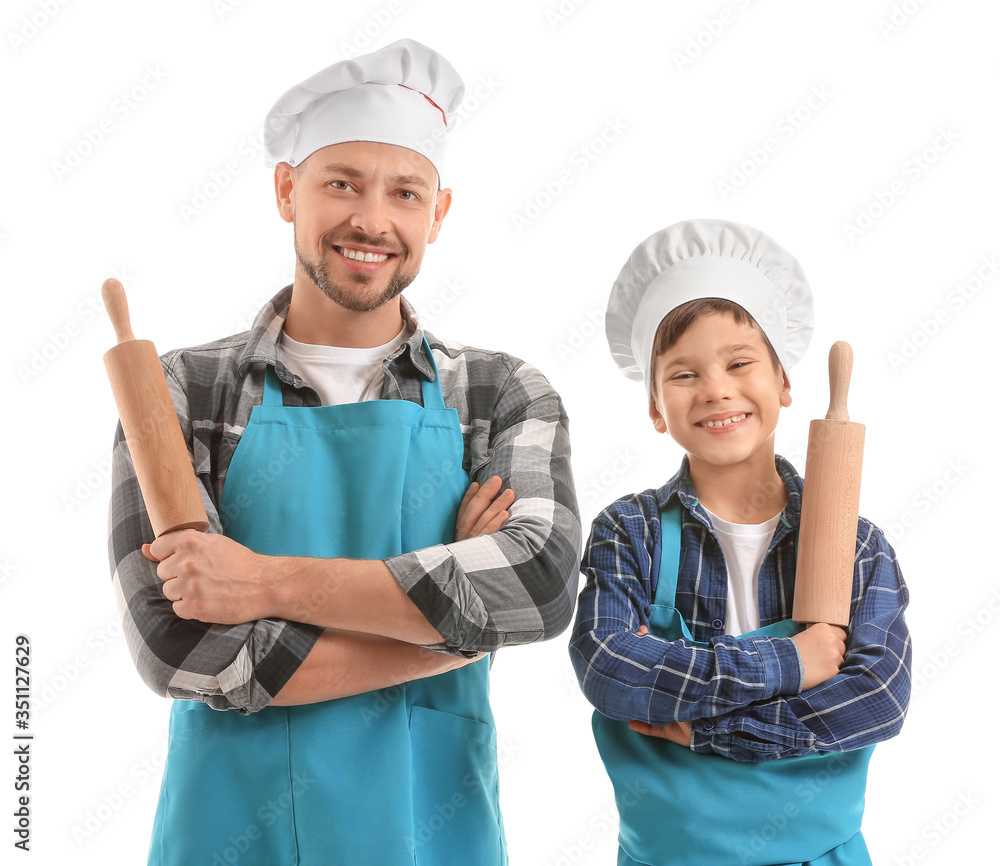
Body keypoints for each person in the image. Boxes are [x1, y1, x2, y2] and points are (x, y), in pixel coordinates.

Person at [107, 39, 581, 866]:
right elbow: (177, 649)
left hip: (429, 833)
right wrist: (457, 628)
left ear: (437, 214)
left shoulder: (500, 395)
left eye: (405, 192)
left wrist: (257, 582)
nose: (373, 219)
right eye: (342, 183)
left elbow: (538, 591)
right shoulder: (183, 393)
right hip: (228, 835)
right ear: (287, 190)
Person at [569, 219, 911, 866]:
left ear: (784, 384)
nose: (717, 388)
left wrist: (704, 729)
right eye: (683, 374)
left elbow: (878, 699)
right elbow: (609, 670)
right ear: (654, 409)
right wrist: (792, 665)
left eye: (740, 362)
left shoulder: (856, 547)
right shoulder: (631, 533)